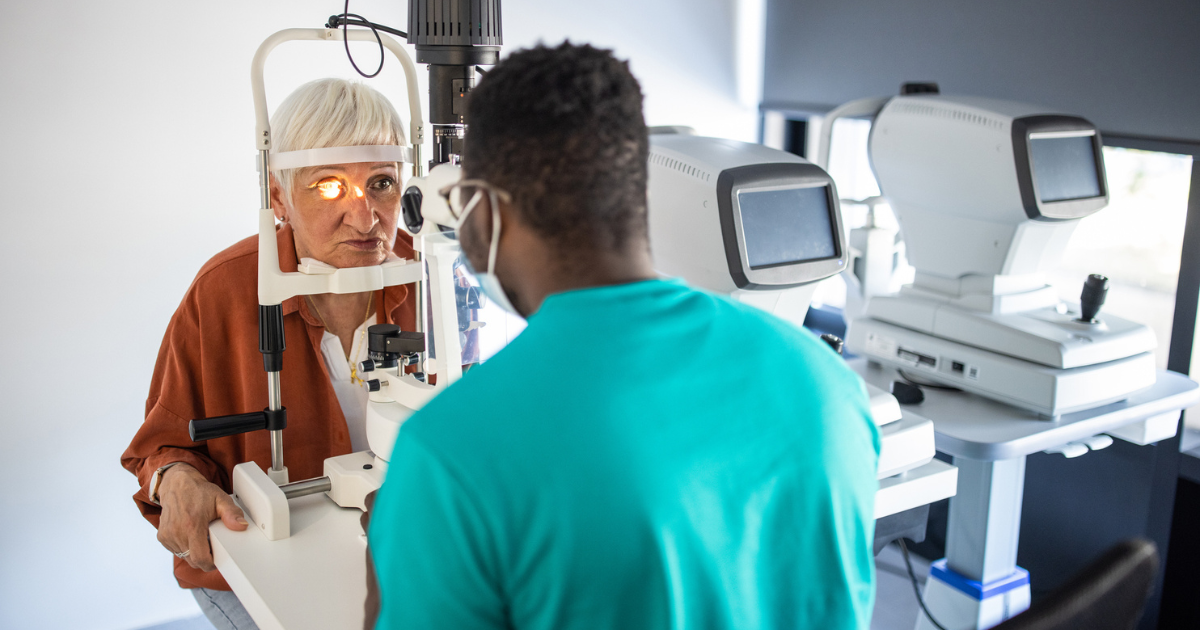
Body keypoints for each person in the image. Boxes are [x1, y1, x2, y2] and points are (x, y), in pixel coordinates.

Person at [367, 42, 881, 629]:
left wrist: (387, 570)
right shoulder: (827, 385)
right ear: (632, 193)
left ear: (479, 211)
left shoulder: (450, 453)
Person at [122, 78, 418, 630]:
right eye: (328, 187)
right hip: (263, 558)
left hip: (404, 543)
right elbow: (158, 448)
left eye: (381, 183)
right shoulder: (225, 289)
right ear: (277, 195)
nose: (365, 217)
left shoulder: (433, 280)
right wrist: (177, 479)